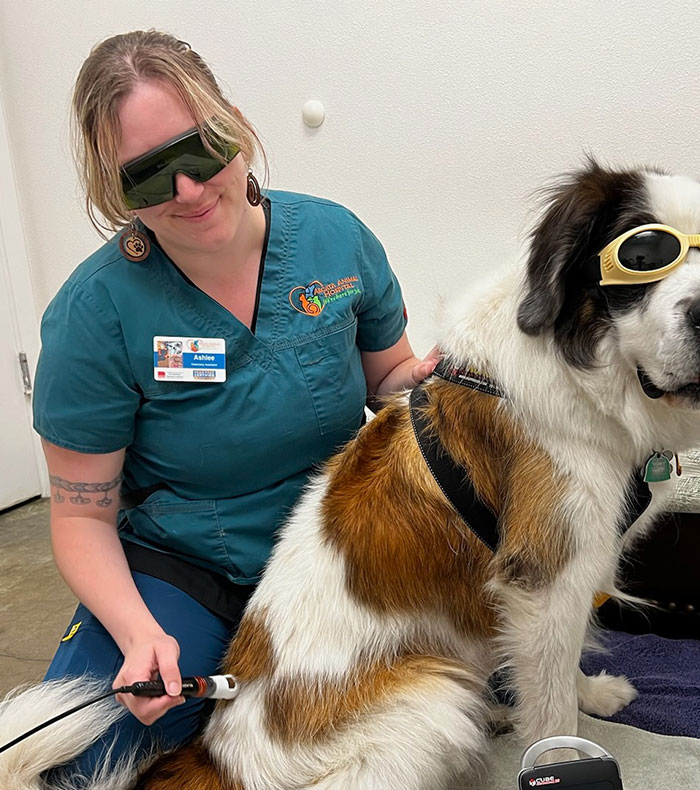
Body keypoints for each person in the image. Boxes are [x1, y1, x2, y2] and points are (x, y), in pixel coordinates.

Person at [32, 29, 437, 781]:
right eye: (148, 179)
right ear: (114, 194)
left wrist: (433, 378)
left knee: (430, 705)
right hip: (191, 567)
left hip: (344, 547)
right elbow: (81, 516)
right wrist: (138, 634)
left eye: (200, 151)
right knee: (76, 753)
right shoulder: (95, 314)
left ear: (237, 127)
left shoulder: (334, 239)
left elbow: (388, 378)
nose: (188, 191)